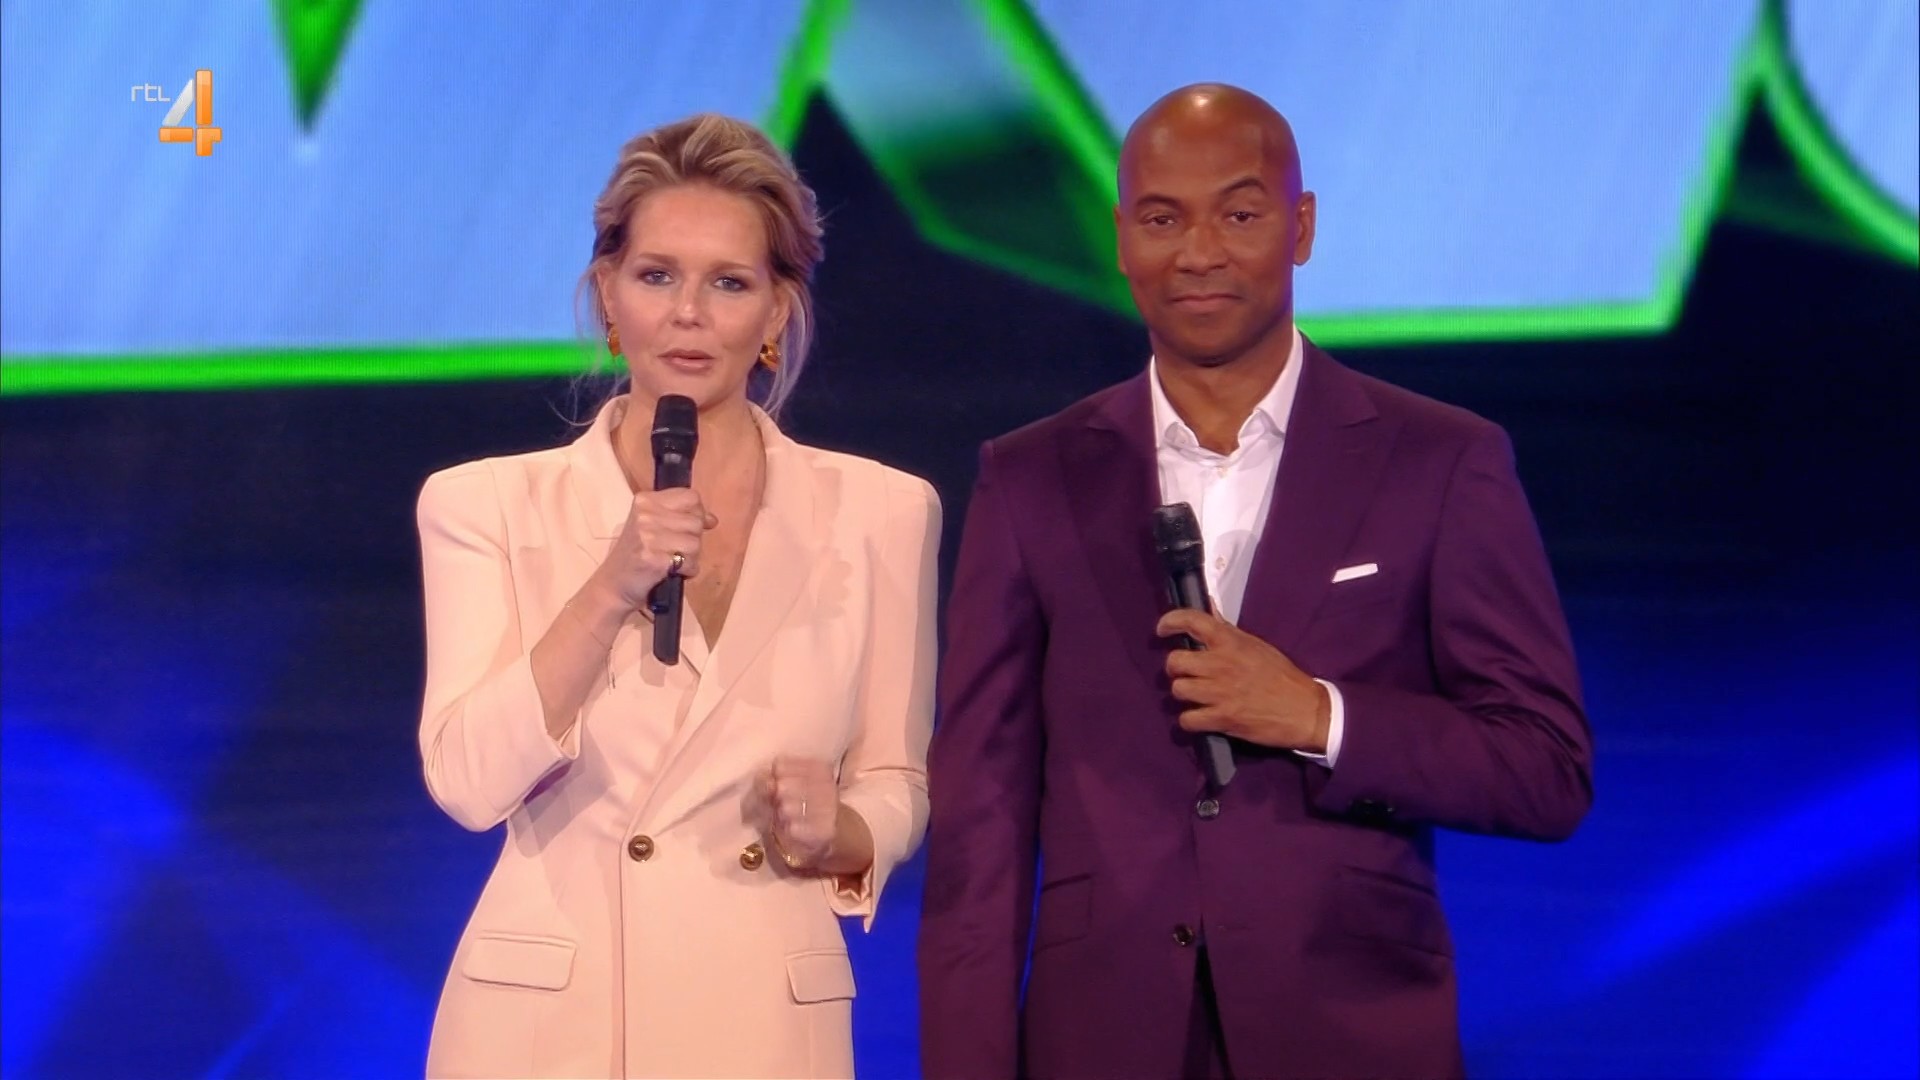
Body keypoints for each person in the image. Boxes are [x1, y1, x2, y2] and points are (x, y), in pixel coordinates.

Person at [917, 84, 1593, 1080]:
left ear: (1301, 226)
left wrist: (1318, 715)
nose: (1199, 252)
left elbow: (1545, 769)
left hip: (1352, 1035)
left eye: (1238, 215)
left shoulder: (1441, 459)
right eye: (1163, 219)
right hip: (1102, 1039)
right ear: (1120, 238)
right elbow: (981, 822)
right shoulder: (1029, 477)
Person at [415, 113, 939, 1079]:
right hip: (550, 1031)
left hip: (763, 1023)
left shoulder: (884, 511)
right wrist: (611, 584)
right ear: (607, 295)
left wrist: (843, 832)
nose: (688, 313)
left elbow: (895, 779)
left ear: (776, 314)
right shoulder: (483, 504)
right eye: (657, 276)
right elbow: (467, 781)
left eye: (729, 282)